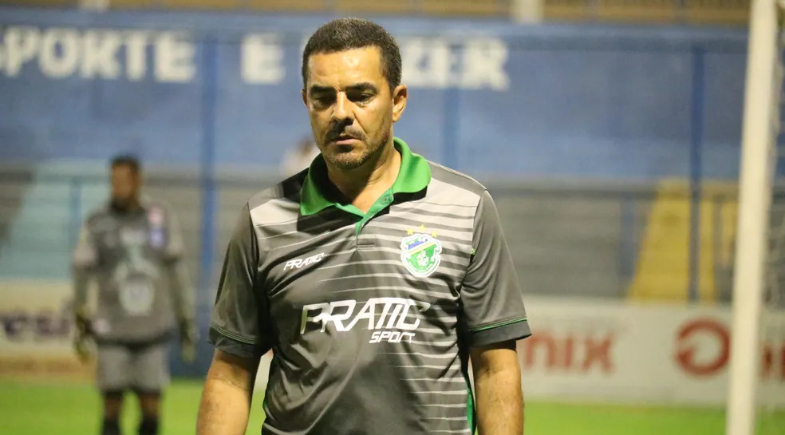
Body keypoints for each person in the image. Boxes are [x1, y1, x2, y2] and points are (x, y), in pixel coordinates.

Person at [197, 18, 531, 435]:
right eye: (323, 98)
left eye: (361, 95)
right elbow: (231, 374)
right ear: (306, 102)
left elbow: (495, 368)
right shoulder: (263, 220)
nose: (341, 113)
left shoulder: (467, 208)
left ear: (397, 101)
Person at [72, 155, 197, 435]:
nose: (117, 187)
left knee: (151, 406)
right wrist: (80, 314)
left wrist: (185, 317)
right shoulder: (97, 221)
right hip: (111, 329)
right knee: (111, 404)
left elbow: (177, 272)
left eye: (123, 181)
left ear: (138, 181)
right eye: (113, 181)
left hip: (151, 329)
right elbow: (81, 269)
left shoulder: (159, 217)